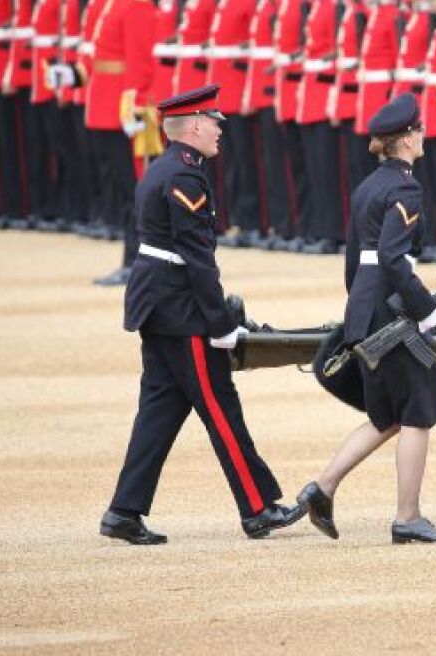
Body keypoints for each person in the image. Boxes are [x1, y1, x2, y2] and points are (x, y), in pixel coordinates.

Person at [100, 85, 305, 545]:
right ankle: (257, 508)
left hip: (160, 304)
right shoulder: (185, 176)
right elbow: (197, 258)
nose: (219, 131)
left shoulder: (168, 168)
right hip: (180, 310)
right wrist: (222, 325)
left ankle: (123, 511)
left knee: (158, 412)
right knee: (220, 407)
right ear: (193, 126)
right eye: (214, 123)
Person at [297, 94, 436, 545]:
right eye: (420, 130)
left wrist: (362, 309)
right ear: (406, 140)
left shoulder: (370, 185)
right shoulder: (405, 188)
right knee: (418, 410)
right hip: (389, 311)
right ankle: (408, 517)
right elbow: (392, 255)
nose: (424, 135)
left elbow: (357, 262)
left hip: (367, 307)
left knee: (386, 414)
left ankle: (322, 487)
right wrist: (424, 310)